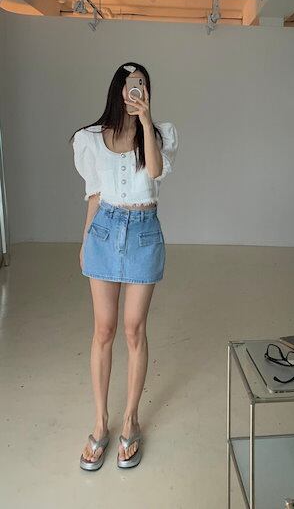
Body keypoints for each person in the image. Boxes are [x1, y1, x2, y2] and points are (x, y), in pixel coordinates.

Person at [69, 62, 178, 471]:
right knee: (104, 329)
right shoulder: (91, 138)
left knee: (134, 329)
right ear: (118, 89)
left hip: (144, 234)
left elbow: (155, 171)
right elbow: (94, 195)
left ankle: (130, 419)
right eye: (130, 84)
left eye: (142, 84)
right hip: (104, 231)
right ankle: (100, 423)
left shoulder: (160, 134)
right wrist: (86, 242)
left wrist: (146, 121)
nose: (136, 90)